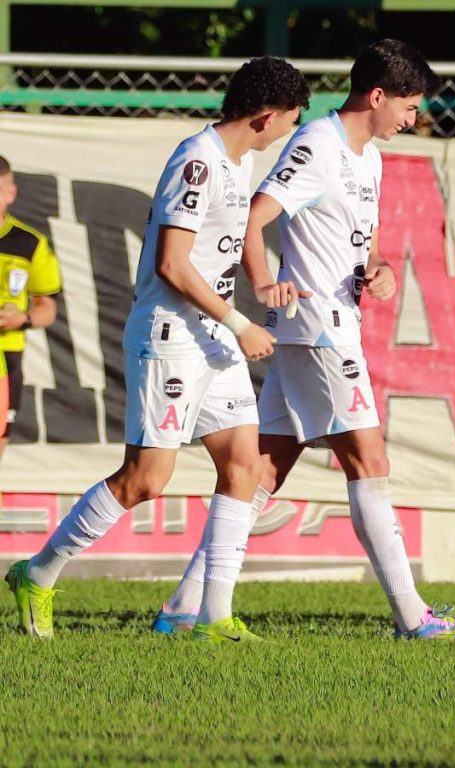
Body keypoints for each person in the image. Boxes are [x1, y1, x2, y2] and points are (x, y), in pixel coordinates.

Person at [151, 40, 455, 643]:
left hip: (328, 326)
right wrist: (264, 282)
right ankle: (415, 619)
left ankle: (183, 608)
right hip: (319, 331)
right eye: (409, 108)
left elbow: (366, 240)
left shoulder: (369, 157)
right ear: (378, 96)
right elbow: (255, 216)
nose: (413, 120)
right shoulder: (317, 144)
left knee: (261, 470)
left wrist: (380, 266)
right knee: (369, 461)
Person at [5, 57, 311, 641]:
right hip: (172, 337)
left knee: (243, 466)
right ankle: (38, 574)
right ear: (266, 116)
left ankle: (213, 618)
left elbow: (228, 239)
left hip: (211, 335)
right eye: (291, 122)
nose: (288, 133)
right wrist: (240, 320)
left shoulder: (234, 162)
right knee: (145, 479)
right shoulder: (198, 161)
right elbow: (172, 264)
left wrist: (257, 286)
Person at [0, 156, 62, 462]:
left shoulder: (29, 243)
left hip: (6, 355)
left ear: (10, 193)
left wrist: (21, 319)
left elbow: (47, 307)